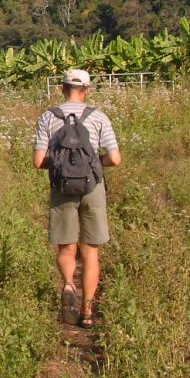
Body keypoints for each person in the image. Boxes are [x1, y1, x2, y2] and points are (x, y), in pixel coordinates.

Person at [32, 69, 122, 328]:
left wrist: (61, 167)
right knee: (90, 250)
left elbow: (38, 161)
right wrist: (95, 164)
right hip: (92, 186)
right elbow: (115, 158)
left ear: (62, 88)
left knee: (66, 246)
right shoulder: (99, 117)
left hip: (62, 187)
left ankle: (69, 284)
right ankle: (87, 311)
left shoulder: (49, 117)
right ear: (87, 90)